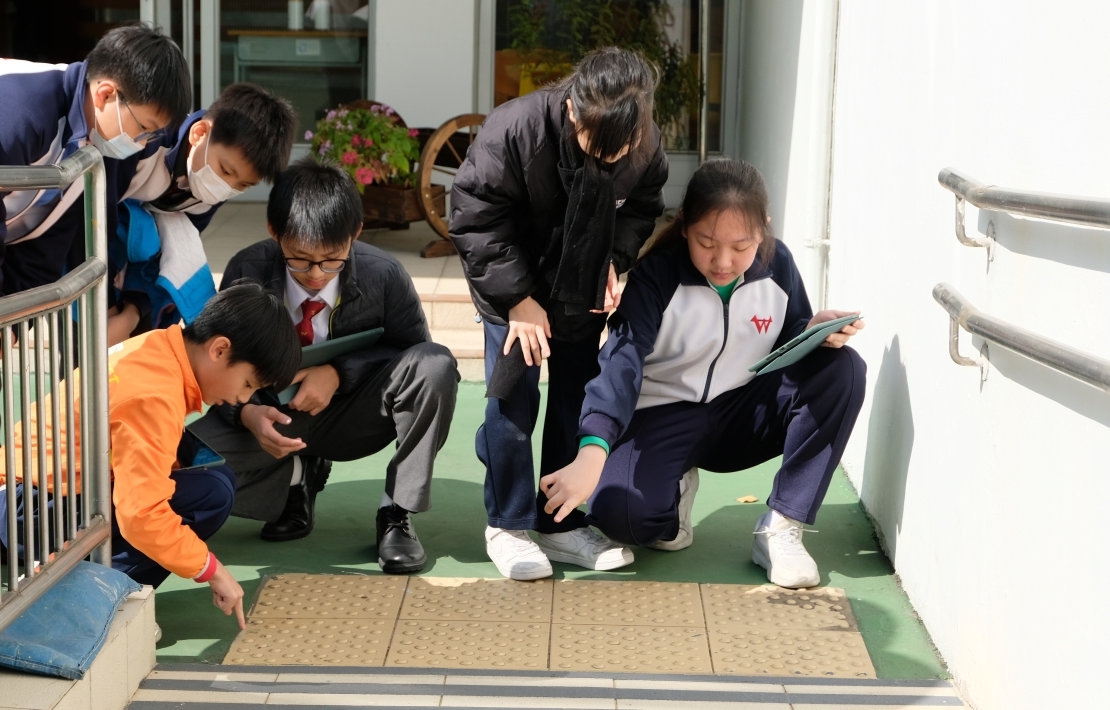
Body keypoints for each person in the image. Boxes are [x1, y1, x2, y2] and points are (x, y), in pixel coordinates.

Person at [0, 23, 191, 577]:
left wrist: (8, 321)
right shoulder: (18, 106)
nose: (146, 144)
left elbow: (48, 241)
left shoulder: (92, 137)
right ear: (107, 94)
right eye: (145, 128)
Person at [539, 158, 867, 589]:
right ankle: (673, 492)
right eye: (706, 242)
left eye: (741, 246)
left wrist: (810, 331)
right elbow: (622, 362)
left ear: (763, 230)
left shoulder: (779, 264)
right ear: (684, 225)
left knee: (843, 368)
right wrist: (592, 450)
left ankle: (782, 526)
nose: (723, 261)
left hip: (742, 414)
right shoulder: (657, 276)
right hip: (662, 416)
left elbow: (785, 343)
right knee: (623, 518)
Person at [448, 47, 669, 580]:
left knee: (577, 392)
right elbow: (474, 217)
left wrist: (614, 261)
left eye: (624, 147)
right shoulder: (515, 128)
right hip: (512, 283)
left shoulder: (644, 141)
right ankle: (507, 524)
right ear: (573, 110)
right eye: (600, 145)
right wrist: (517, 299)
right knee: (514, 395)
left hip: (582, 283)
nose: (613, 158)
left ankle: (559, 523)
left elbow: (642, 207)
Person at [188, 157, 459, 575]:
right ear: (274, 232)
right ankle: (295, 479)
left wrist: (337, 373)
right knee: (183, 466)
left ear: (355, 234)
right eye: (299, 259)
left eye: (332, 259)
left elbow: (414, 355)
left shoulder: (385, 275)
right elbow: (221, 366)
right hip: (269, 417)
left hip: (355, 415)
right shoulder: (247, 270)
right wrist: (247, 414)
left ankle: (396, 512)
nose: (316, 274)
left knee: (437, 365)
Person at [107, 280, 299, 621]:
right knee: (211, 493)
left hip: (41, 491)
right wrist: (209, 568)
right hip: (35, 511)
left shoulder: (158, 347)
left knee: (211, 480)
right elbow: (141, 514)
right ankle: (93, 596)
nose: (243, 398)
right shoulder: (156, 395)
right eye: (247, 384)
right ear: (219, 349)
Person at [110, 82, 298, 341]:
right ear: (199, 134)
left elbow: (171, 251)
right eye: (226, 170)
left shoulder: (210, 188)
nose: (226, 187)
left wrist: (131, 313)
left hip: (131, 279)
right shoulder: (148, 139)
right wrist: (108, 309)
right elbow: (93, 220)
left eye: (243, 185)